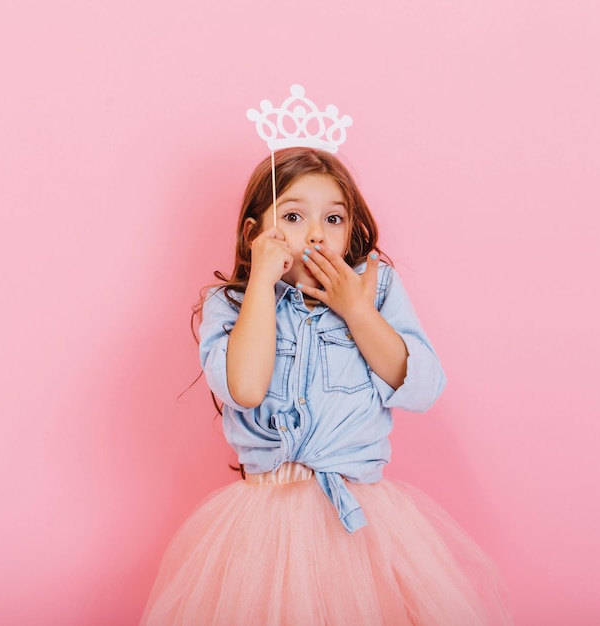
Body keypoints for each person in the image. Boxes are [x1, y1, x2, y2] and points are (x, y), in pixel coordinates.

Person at [140, 147, 512, 625]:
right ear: (254, 233)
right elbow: (247, 388)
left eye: (333, 219)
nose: (317, 233)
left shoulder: (376, 288)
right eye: (293, 216)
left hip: (361, 522)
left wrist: (356, 310)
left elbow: (423, 389)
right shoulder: (229, 305)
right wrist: (260, 284)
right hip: (262, 525)